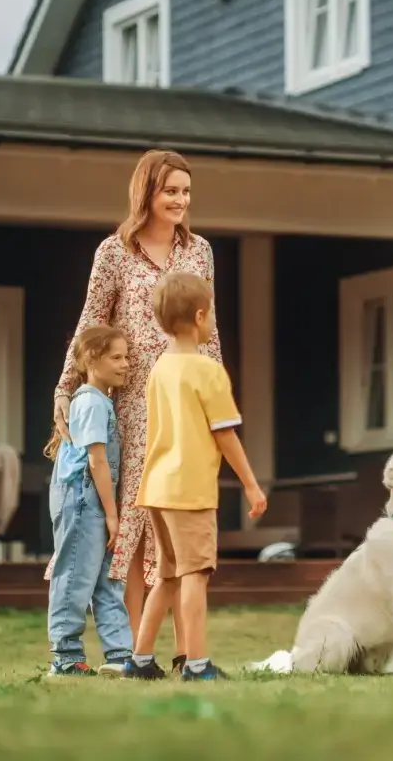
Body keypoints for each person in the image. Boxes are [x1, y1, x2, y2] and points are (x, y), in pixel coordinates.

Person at [48, 149, 223, 673]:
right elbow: (90, 322)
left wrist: (216, 401)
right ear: (146, 191)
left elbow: (208, 327)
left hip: (185, 405)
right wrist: (66, 385)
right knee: (137, 527)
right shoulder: (113, 252)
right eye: (170, 190)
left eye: (186, 192)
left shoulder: (200, 252)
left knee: (181, 527)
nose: (180, 201)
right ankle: (129, 654)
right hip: (131, 407)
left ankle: (182, 652)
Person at [123, 271, 268, 681]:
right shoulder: (208, 372)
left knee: (166, 576)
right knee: (194, 576)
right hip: (190, 492)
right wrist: (252, 485)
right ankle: (197, 664)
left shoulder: (160, 369)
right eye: (213, 314)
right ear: (202, 315)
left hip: (156, 487)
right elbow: (225, 435)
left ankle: (140, 660)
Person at [44, 324, 134, 677]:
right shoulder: (91, 402)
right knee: (75, 577)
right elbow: (96, 460)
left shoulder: (100, 400)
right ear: (91, 360)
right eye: (117, 357)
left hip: (95, 502)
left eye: (127, 356)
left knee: (108, 578)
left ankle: (119, 655)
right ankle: (65, 658)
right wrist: (112, 515)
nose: (126, 364)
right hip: (83, 500)